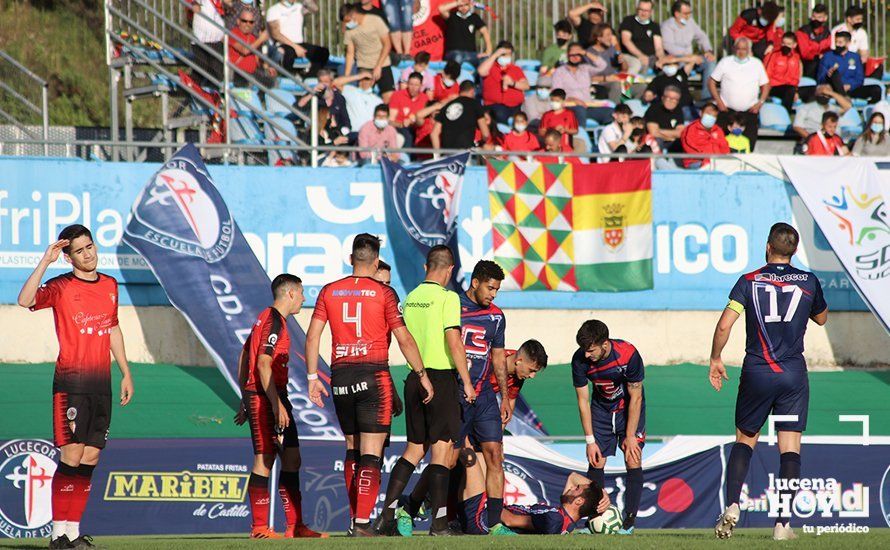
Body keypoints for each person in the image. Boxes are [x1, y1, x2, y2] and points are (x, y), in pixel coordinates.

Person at [305, 234, 433, 536]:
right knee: (371, 454)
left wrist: (313, 378)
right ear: (376, 262)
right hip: (373, 375)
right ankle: (363, 523)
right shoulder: (384, 294)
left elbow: (312, 337)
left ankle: (354, 520)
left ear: (351, 259)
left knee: (351, 449)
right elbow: (403, 338)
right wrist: (422, 374)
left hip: (340, 376)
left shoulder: (329, 291)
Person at [18, 225, 134, 550]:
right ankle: (57, 535)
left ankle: (73, 532)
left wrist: (125, 371)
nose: (88, 254)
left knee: (91, 457)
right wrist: (45, 260)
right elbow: (24, 299)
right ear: (68, 257)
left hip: (102, 385)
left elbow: (112, 329)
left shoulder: (110, 285)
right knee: (71, 454)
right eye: (80, 250)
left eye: (90, 247)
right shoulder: (61, 286)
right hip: (71, 383)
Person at [710, 223, 828, 541]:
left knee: (745, 440)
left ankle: (732, 504)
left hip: (757, 372)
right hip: (792, 374)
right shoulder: (808, 281)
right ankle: (782, 524)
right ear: (794, 250)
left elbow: (724, 325)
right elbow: (822, 318)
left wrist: (715, 358)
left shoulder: (748, 281)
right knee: (789, 448)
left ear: (767, 247)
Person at [376, 245, 475, 537]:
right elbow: (453, 340)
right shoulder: (448, 298)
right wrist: (467, 381)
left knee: (414, 449)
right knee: (441, 453)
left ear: (425, 268)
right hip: (441, 379)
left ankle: (386, 517)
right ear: (450, 270)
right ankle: (440, 524)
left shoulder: (411, 297)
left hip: (413, 379)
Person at [232, 274, 325, 539]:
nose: (305, 298)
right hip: (265, 397)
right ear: (291, 294)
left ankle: (295, 527)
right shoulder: (272, 320)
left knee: (292, 458)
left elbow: (244, 354)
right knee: (264, 459)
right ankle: (259, 528)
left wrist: (244, 393)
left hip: (274, 395)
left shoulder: (269, 319)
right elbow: (262, 362)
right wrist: (272, 403)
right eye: (302, 293)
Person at [450, 261, 515, 535]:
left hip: (486, 396)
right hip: (455, 391)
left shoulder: (496, 317)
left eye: (497, 290)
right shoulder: (452, 306)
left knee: (495, 456)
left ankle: (495, 523)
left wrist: (506, 398)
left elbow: (499, 358)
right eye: (490, 288)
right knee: (452, 459)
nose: (493, 295)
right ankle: (436, 513)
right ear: (475, 282)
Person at [573, 319, 646, 535]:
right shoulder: (579, 360)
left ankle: (629, 523)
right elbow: (582, 401)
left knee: (633, 456)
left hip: (627, 409)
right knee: (596, 459)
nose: (586, 355)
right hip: (600, 409)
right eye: (584, 350)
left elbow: (636, 396)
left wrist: (630, 435)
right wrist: (589, 440)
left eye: (591, 350)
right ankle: (594, 520)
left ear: (605, 343)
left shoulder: (628, 354)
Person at [708, 37, 770, 150]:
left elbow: (766, 85)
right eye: (738, 49)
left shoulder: (756, 64)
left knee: (748, 146)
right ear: (734, 49)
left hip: (749, 112)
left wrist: (760, 103)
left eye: (744, 49)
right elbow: (711, 81)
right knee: (720, 145)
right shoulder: (725, 62)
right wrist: (718, 101)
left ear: (749, 50)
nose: (741, 52)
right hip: (726, 111)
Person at [660, 0, 717, 99]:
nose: (688, 16)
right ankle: (682, 98)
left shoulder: (690, 23)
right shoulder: (666, 26)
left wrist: (708, 51)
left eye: (690, 13)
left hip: (692, 58)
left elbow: (702, 36)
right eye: (686, 13)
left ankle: (706, 98)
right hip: (677, 59)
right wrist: (690, 57)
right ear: (677, 14)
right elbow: (668, 46)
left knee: (710, 62)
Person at [342, 3, 394, 103]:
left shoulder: (375, 20)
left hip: (382, 65)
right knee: (363, 99)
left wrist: (378, 66)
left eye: (348, 21)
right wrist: (346, 76)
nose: (347, 24)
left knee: (389, 99)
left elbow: (387, 45)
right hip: (364, 67)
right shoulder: (349, 30)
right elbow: (350, 53)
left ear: (353, 15)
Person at [552, 42, 611, 128]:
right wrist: (573, 99)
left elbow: (602, 65)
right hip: (570, 107)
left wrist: (585, 53)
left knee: (610, 112)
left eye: (578, 54)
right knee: (580, 110)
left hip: (588, 106)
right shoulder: (560, 71)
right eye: (572, 54)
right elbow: (557, 93)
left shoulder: (585, 69)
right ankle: (581, 138)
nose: (575, 57)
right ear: (567, 55)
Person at [266, 0, 329, 77]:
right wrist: (295, 47)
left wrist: (306, 1)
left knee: (323, 52)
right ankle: (293, 75)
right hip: (283, 44)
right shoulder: (273, 10)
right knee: (286, 54)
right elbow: (275, 34)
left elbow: (315, 9)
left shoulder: (298, 7)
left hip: (299, 44)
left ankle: (309, 77)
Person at [818, 31, 882, 104]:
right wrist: (828, 75)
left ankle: (870, 110)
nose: (837, 44)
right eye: (836, 42)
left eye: (840, 42)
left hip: (851, 89)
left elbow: (860, 78)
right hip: (834, 90)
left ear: (848, 43)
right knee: (834, 73)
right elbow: (820, 78)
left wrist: (850, 86)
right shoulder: (827, 57)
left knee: (876, 89)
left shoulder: (855, 57)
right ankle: (844, 101)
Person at [478, 41, 529, 124]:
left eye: (508, 54)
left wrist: (513, 83)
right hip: (495, 106)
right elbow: (481, 71)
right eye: (503, 54)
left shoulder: (516, 69)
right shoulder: (490, 67)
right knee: (500, 114)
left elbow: (526, 85)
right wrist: (495, 55)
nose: (506, 57)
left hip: (516, 106)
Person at [431, 81, 488, 151]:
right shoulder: (475, 105)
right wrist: (481, 142)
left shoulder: (447, 106)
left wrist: (437, 155)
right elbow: (485, 134)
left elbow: (434, 134)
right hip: (465, 153)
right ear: (472, 91)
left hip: (447, 153)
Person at [587, 25, 637, 103]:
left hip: (618, 81)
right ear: (599, 38)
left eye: (612, 34)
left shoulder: (612, 50)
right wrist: (607, 78)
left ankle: (627, 110)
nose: (611, 37)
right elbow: (586, 77)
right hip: (602, 83)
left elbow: (625, 69)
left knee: (641, 87)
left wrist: (621, 59)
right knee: (617, 85)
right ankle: (614, 110)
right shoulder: (590, 53)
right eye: (608, 35)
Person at [228, 7, 277, 87]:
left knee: (272, 81)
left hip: (252, 73)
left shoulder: (253, 38)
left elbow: (257, 59)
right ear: (238, 21)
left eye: (251, 22)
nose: (248, 24)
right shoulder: (233, 34)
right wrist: (261, 39)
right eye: (244, 21)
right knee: (251, 82)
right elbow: (245, 50)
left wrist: (267, 68)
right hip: (237, 73)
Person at [300, 69, 352, 135]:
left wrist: (341, 132)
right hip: (315, 132)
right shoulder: (313, 95)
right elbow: (299, 106)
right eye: (321, 81)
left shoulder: (339, 98)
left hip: (335, 132)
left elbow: (346, 121)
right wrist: (312, 92)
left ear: (331, 82)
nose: (323, 84)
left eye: (326, 82)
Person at [618, 0, 665, 75]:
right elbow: (626, 41)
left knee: (666, 69)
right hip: (630, 56)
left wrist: (661, 59)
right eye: (641, 9)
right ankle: (627, 85)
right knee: (636, 65)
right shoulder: (629, 21)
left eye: (646, 10)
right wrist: (641, 56)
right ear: (637, 9)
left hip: (650, 57)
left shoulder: (654, 26)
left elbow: (659, 48)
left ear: (651, 11)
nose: (643, 13)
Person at [440, 0, 492, 67]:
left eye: (466, 5)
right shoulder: (451, 16)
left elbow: (485, 32)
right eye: (461, 6)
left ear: (470, 5)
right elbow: (441, 9)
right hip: (454, 53)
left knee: (485, 62)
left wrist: (488, 51)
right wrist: (458, 2)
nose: (464, 7)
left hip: (472, 54)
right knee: (458, 57)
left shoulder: (474, 17)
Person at [680, 102, 729, 168]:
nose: (710, 117)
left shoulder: (718, 130)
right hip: (696, 162)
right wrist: (706, 159)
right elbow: (688, 147)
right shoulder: (691, 129)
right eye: (708, 114)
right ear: (701, 113)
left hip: (716, 162)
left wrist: (725, 159)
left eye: (714, 116)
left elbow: (724, 146)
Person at [189, 0, 226, 85]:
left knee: (216, 72)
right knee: (200, 69)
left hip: (218, 39)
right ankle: (195, 93)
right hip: (201, 39)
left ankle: (212, 95)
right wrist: (193, 3)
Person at [765, 32, 802, 112]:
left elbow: (796, 77)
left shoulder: (796, 57)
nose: (785, 46)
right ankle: (785, 113)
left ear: (794, 45)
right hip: (774, 87)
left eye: (788, 44)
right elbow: (767, 75)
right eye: (783, 43)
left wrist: (796, 91)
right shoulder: (774, 55)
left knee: (811, 90)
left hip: (790, 87)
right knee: (789, 90)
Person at [389, 72, 429, 146]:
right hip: (400, 128)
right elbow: (391, 120)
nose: (413, 88)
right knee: (407, 134)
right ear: (407, 84)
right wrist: (401, 124)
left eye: (416, 85)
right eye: (411, 84)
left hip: (417, 128)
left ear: (421, 85)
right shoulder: (397, 95)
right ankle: (406, 156)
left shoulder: (425, 98)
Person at [796, 3, 832, 79]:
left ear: (825, 18)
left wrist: (819, 53)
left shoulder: (827, 33)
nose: (815, 20)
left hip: (822, 64)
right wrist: (818, 54)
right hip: (807, 65)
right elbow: (805, 53)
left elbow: (827, 49)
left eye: (819, 17)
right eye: (814, 16)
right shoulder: (803, 31)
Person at [644, 84, 685, 150]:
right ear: (663, 97)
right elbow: (653, 133)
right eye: (668, 97)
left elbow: (680, 133)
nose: (671, 100)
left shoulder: (678, 110)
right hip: (657, 142)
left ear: (678, 101)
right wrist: (670, 137)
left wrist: (660, 131)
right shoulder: (653, 109)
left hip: (672, 142)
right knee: (657, 141)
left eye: (674, 99)